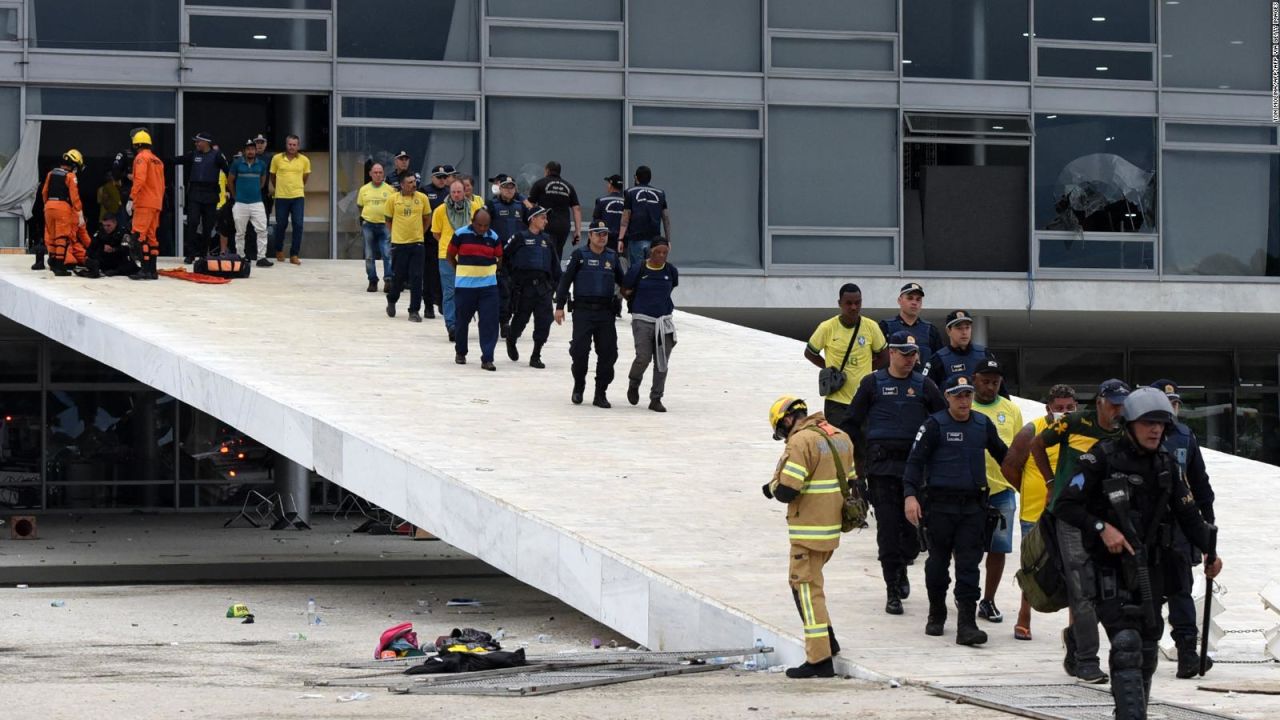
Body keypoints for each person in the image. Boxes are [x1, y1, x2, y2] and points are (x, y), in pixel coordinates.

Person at [1055, 388, 1223, 720]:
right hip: (1111, 570)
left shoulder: (1167, 465)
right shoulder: (1101, 457)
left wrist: (1210, 551)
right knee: (1127, 644)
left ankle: (1129, 712)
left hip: (1153, 568)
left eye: (1161, 423)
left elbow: (1189, 514)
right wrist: (1103, 528)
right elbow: (1065, 505)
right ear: (1129, 424)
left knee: (1147, 649)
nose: (1155, 430)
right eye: (1148, 423)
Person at [1032, 378, 1131, 683]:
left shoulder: (1128, 430)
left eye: (1122, 403)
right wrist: (1051, 483)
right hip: (1071, 515)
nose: (1118, 409)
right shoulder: (1075, 422)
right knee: (1082, 587)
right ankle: (1088, 659)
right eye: (1113, 403)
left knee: (1109, 589)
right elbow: (1037, 444)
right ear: (1100, 402)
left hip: (1110, 520)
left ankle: (1076, 639)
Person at [842, 330, 945, 614]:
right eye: (904, 353)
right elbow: (851, 423)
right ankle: (892, 587)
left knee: (912, 534)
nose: (910, 359)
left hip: (915, 469)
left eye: (913, 354)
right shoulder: (872, 383)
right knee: (888, 528)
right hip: (881, 468)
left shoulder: (925, 385)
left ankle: (903, 564)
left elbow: (943, 420)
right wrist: (855, 466)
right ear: (891, 353)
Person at [904, 375, 1009, 645]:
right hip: (939, 508)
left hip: (973, 508)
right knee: (938, 565)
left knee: (968, 566)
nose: (964, 400)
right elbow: (915, 463)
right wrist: (910, 497)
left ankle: (967, 624)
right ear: (947, 397)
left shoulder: (982, 424)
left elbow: (1004, 456)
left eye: (968, 394)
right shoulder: (934, 425)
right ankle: (937, 612)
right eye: (958, 395)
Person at [762, 396, 853, 679]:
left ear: (787, 420)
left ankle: (819, 659)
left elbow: (787, 490)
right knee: (809, 584)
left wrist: (773, 485)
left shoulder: (801, 442)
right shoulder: (840, 436)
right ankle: (829, 641)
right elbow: (851, 479)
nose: (783, 436)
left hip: (808, 531)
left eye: (780, 431)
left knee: (806, 590)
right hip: (831, 529)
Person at [1148, 379, 1216, 678]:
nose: (1171, 410)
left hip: (1178, 526)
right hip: (1142, 528)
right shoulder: (1132, 437)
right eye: (1166, 404)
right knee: (1143, 594)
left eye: (1174, 404)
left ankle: (1187, 652)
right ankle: (1141, 650)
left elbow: (1201, 486)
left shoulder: (1184, 437)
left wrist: (1209, 540)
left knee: (1181, 591)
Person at [1000, 384, 1079, 641]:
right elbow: (1010, 466)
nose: (1065, 413)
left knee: (1075, 571)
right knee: (1033, 567)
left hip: (1072, 513)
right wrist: (1029, 489)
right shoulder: (1032, 430)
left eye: (1070, 408)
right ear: (1048, 409)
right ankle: (1024, 617)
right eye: (1059, 408)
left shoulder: (1082, 430)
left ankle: (1075, 627)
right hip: (1035, 513)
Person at [969, 359, 1023, 625]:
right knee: (968, 547)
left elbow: (1016, 451)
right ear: (974, 378)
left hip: (1002, 490)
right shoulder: (964, 405)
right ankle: (966, 593)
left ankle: (988, 599)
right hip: (969, 489)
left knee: (998, 548)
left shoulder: (1011, 410)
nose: (990, 386)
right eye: (986, 381)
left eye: (995, 382)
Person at [555, 220, 625, 407]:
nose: (602, 237)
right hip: (583, 311)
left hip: (605, 313)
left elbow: (624, 284)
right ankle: (579, 386)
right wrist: (559, 306)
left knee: (609, 353)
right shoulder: (579, 256)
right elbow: (565, 281)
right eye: (598, 234)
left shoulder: (612, 257)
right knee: (579, 352)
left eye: (605, 234)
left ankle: (600, 393)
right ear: (591, 236)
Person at [803, 283, 888, 427]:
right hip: (836, 402)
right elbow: (810, 353)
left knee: (863, 447)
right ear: (840, 304)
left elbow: (885, 357)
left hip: (864, 399)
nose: (853, 307)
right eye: (848, 303)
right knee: (839, 446)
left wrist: (866, 368)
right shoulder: (827, 327)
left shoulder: (871, 327)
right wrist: (829, 369)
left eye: (857, 302)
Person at [621, 238, 678, 412]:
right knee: (643, 357)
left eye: (664, 253)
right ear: (650, 251)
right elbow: (624, 289)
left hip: (664, 321)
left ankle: (656, 398)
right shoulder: (639, 268)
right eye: (658, 252)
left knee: (662, 361)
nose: (661, 256)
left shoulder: (671, 271)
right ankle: (634, 382)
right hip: (642, 318)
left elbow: (671, 287)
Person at [503, 206, 559, 369]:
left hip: (543, 288)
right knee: (521, 319)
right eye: (542, 217)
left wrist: (557, 286)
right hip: (524, 288)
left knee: (544, 322)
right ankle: (512, 339)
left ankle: (536, 355)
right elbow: (504, 257)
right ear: (532, 219)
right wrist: (508, 279)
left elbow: (555, 265)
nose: (546, 221)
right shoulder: (519, 237)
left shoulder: (547, 240)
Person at [448, 209, 502, 370]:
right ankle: (461, 352)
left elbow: (500, 257)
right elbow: (449, 255)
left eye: (486, 225)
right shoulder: (460, 234)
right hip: (465, 287)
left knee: (489, 323)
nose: (483, 229)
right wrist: (459, 270)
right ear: (472, 221)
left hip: (488, 288)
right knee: (462, 321)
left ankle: (487, 358)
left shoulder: (494, 237)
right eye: (479, 225)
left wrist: (492, 271)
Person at [431, 180, 478, 342]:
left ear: (464, 192)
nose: (457, 195)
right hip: (447, 256)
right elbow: (436, 233)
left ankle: (462, 322)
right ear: (449, 193)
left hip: (469, 256)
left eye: (459, 191)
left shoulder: (474, 209)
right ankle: (451, 325)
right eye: (454, 192)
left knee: (468, 292)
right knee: (450, 291)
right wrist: (449, 245)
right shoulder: (440, 210)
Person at [172, 131, 228, 262]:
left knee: (208, 226)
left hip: (211, 194)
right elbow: (177, 160)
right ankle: (190, 254)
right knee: (192, 223)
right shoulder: (193, 155)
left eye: (198, 141)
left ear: (206, 143)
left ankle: (203, 254)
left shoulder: (217, 156)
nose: (196, 143)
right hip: (195, 193)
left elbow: (229, 170)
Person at [383, 173, 431, 323]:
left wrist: (420, 233)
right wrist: (396, 234)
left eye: (414, 181)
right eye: (409, 182)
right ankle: (392, 299)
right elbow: (388, 220)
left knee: (417, 277)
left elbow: (427, 218)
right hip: (399, 244)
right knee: (399, 277)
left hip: (417, 244)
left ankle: (414, 310)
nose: (413, 184)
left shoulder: (422, 198)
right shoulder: (393, 200)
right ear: (402, 185)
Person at [40, 149, 92, 276]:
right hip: (63, 208)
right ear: (74, 165)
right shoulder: (70, 176)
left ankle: (52, 262)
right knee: (61, 238)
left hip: (48, 207)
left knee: (52, 236)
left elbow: (44, 192)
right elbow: (74, 197)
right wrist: (79, 211)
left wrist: (47, 205)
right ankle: (59, 267)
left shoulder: (51, 174)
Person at [486, 174, 525, 338]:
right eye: (506, 187)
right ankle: (501, 321)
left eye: (512, 187)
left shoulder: (520, 206)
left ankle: (507, 320)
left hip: (516, 255)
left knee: (515, 290)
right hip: (498, 254)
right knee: (501, 289)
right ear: (500, 189)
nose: (509, 190)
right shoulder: (492, 205)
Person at [127, 129, 165, 281]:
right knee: (151, 238)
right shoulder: (157, 160)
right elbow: (161, 184)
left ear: (137, 145)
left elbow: (140, 180)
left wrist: (131, 198)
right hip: (156, 203)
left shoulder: (141, 158)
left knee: (137, 236)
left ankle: (144, 269)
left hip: (144, 202)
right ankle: (152, 271)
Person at [879, 283, 944, 369]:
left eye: (918, 299)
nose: (914, 302)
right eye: (910, 298)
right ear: (899, 300)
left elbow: (938, 363)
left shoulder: (931, 330)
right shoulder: (885, 327)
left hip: (922, 381)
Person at [924, 310, 994, 388]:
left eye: (967, 328)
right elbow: (927, 391)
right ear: (948, 331)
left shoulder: (984, 354)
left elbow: (999, 386)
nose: (964, 332)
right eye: (959, 328)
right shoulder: (938, 359)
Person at [269, 134, 310, 265]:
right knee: (281, 225)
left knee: (298, 225)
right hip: (281, 197)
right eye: (290, 144)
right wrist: (279, 188)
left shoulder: (304, 160)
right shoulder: (276, 159)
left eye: (294, 145)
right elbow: (273, 177)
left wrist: (297, 187)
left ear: (298, 146)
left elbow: (305, 177)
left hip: (298, 197)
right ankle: (279, 249)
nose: (292, 147)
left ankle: (294, 254)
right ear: (286, 145)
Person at [619, 165, 670, 269]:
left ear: (636, 178)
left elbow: (625, 218)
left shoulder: (630, 192)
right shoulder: (660, 193)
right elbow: (666, 218)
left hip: (636, 238)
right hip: (654, 239)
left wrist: (620, 239)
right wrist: (668, 240)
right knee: (653, 269)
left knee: (637, 270)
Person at [528, 160, 581, 259]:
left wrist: (529, 224)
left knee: (543, 252)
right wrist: (578, 231)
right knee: (557, 253)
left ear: (547, 170)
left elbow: (530, 205)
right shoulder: (569, 186)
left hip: (545, 224)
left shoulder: (540, 184)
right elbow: (576, 209)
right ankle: (556, 273)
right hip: (563, 226)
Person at [228, 138, 269, 267]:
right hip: (240, 203)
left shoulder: (261, 164)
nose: (250, 151)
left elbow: (263, 181)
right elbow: (230, 181)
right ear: (244, 151)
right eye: (248, 149)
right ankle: (241, 256)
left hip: (257, 202)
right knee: (240, 232)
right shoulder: (237, 164)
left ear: (256, 151)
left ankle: (261, 258)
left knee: (262, 230)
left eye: (252, 149)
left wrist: (255, 190)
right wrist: (235, 196)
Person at [356, 163, 395, 293]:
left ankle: (388, 280)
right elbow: (360, 206)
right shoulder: (364, 189)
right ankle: (372, 280)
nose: (378, 175)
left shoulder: (390, 190)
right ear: (370, 174)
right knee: (369, 255)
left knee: (387, 253)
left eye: (380, 172)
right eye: (375, 172)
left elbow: (393, 208)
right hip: (369, 225)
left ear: (383, 174)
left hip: (385, 225)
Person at [592, 174, 625, 252]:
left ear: (611, 185)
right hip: (623, 241)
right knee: (621, 262)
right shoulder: (627, 203)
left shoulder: (601, 201)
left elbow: (595, 222)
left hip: (604, 239)